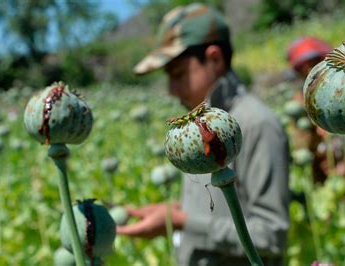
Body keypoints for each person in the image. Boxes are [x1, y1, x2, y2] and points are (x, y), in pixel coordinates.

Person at [117, 3, 291, 265]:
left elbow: (271, 235)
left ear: (214, 59)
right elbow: (218, 208)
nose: (171, 90)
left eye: (178, 74)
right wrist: (171, 213)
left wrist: (183, 223)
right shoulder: (199, 128)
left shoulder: (256, 124)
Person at [286, 36, 345, 183]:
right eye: (303, 67)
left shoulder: (343, 91)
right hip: (322, 171)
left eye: (314, 64)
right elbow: (301, 148)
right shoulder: (299, 103)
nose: (309, 70)